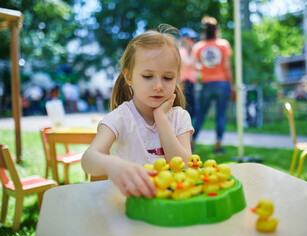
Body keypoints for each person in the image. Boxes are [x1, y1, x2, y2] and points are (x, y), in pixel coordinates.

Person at [81, 25, 194, 199]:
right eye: (148, 76)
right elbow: (88, 159)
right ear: (129, 77)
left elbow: (185, 167)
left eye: (168, 78)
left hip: (172, 207)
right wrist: (112, 164)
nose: (158, 86)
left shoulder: (180, 117)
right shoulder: (120, 118)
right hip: (128, 207)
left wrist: (161, 119)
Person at [191, 16, 234, 153]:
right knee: (220, 115)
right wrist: (231, 85)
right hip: (222, 84)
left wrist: (202, 72)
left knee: (201, 114)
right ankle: (218, 144)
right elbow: (227, 67)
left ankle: (191, 141)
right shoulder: (223, 44)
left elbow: (194, 66)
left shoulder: (198, 47)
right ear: (216, 30)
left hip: (206, 85)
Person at [179, 27, 198, 118]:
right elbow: (189, 63)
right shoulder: (182, 51)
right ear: (184, 39)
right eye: (190, 39)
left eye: (193, 39)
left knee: (192, 109)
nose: (192, 41)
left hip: (190, 83)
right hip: (186, 83)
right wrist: (195, 51)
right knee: (189, 110)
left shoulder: (187, 52)